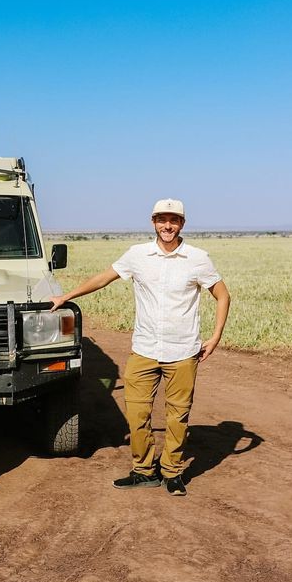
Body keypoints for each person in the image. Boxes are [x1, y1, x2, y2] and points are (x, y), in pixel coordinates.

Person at [49, 199, 230, 496]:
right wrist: (66, 296)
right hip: (144, 349)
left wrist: (215, 337)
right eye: (162, 220)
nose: (167, 225)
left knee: (177, 416)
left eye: (173, 220)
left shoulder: (198, 258)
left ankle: (172, 472)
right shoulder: (137, 255)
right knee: (137, 414)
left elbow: (223, 296)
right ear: (153, 222)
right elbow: (103, 278)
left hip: (183, 351)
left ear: (182, 224)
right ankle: (144, 470)